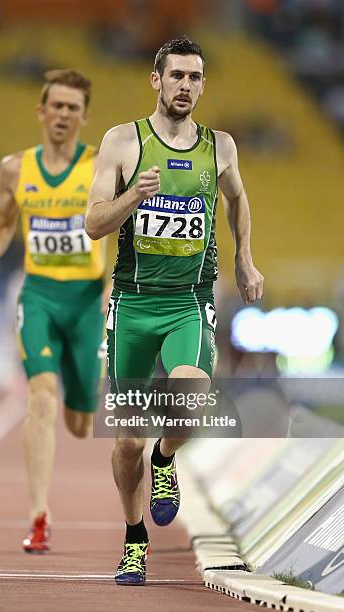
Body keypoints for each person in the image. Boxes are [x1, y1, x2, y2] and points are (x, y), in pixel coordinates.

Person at [85, 36, 264, 585]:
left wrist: (245, 260)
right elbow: (93, 224)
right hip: (133, 306)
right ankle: (134, 537)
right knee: (125, 442)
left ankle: (166, 459)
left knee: (191, 396)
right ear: (156, 80)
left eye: (195, 76)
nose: (185, 85)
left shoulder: (221, 147)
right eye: (177, 75)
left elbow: (237, 199)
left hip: (188, 303)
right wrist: (132, 198)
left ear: (203, 84)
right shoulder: (122, 142)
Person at [0, 69, 111, 554]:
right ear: (42, 110)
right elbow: (2, 219)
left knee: (79, 421)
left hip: (87, 302)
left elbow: (122, 227)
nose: (64, 115)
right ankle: (38, 515)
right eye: (57, 105)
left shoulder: (101, 166)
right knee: (41, 398)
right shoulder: (15, 168)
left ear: (84, 116)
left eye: (74, 107)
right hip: (40, 296)